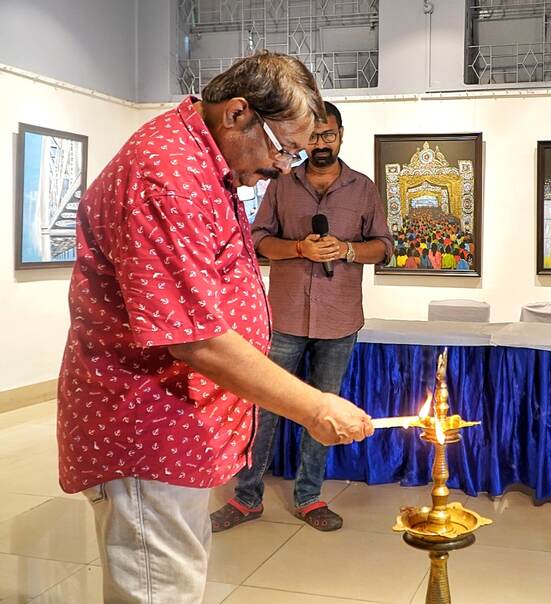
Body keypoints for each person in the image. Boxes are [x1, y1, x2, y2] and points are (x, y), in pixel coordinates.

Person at [57, 52, 374, 603]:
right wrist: (316, 408)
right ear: (238, 114)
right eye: (284, 148)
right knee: (160, 590)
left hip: (174, 428)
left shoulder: (199, 159)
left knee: (174, 576)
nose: (283, 167)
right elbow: (194, 336)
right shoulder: (168, 176)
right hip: (146, 429)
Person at [210, 101, 392, 533]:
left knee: (324, 409)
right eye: (314, 137)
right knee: (264, 407)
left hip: (340, 320)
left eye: (328, 135)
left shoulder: (363, 188)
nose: (321, 144)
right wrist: (298, 248)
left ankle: (310, 497)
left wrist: (346, 250)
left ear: (342, 135)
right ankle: (246, 497)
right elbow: (256, 240)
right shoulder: (281, 184)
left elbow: (383, 246)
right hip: (284, 318)